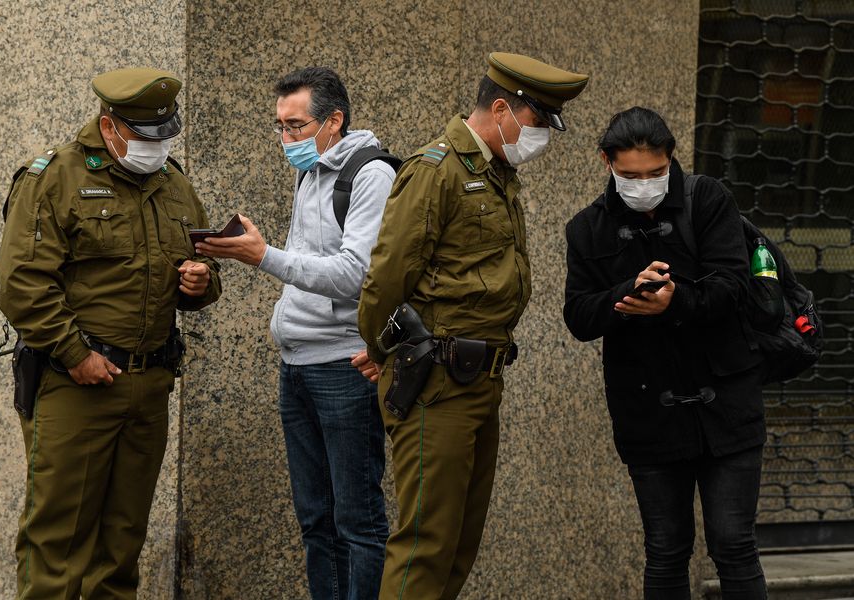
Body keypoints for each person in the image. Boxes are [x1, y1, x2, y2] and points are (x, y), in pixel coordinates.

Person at [357, 52, 588, 599]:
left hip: (482, 377)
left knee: (459, 542)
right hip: (436, 380)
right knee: (425, 543)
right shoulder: (438, 170)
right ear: (503, 108)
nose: (541, 137)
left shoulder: (496, 172)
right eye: (537, 122)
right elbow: (387, 278)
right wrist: (382, 348)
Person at [0, 67, 222, 599]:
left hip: (149, 386)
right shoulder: (54, 177)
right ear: (111, 126)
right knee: (58, 543)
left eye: (167, 135)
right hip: (76, 384)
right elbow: (23, 284)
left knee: (121, 545)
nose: (158, 146)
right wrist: (76, 354)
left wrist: (199, 282)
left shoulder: (173, 183)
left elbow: (204, 267)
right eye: (147, 136)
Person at [196, 66, 394, 600]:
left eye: (296, 127)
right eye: (279, 127)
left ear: (334, 121)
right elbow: (309, 261)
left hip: (344, 368)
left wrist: (262, 256)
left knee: (358, 521)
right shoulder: (311, 173)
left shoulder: (371, 175)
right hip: (297, 367)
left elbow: (355, 274)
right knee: (315, 521)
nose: (286, 140)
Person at [562, 106, 767, 599]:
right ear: (607, 162)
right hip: (648, 410)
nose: (645, 184)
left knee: (734, 543)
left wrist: (678, 300)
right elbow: (579, 316)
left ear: (671, 159)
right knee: (666, 547)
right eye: (631, 175)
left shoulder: (708, 200)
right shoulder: (587, 228)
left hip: (727, 404)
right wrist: (625, 296)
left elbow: (733, 286)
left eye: (656, 173)